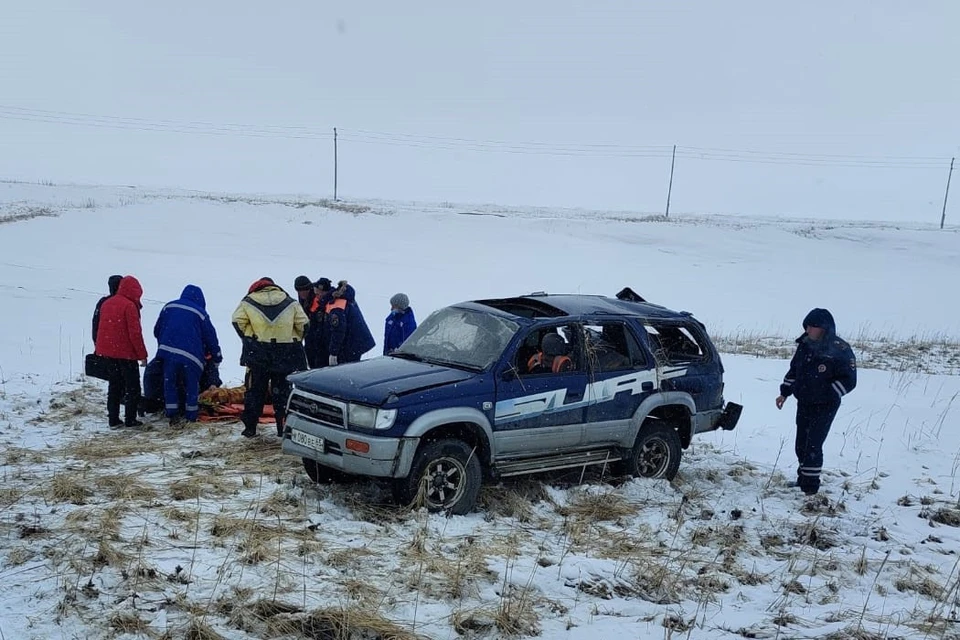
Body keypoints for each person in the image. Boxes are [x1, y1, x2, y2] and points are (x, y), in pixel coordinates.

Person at [776, 308, 857, 495]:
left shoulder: (840, 349)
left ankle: (810, 489)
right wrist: (784, 393)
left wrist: (827, 393)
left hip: (825, 405)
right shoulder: (804, 345)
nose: (810, 329)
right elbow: (794, 371)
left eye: (814, 326)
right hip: (804, 401)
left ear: (824, 328)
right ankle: (802, 479)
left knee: (813, 443)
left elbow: (849, 380)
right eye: (808, 326)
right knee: (801, 443)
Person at [232, 277, 309, 438]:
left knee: (255, 391)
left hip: (258, 354)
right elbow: (304, 325)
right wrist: (291, 338)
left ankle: (250, 427)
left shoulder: (248, 302)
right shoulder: (291, 302)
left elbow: (237, 321)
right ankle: (283, 427)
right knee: (282, 393)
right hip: (284, 354)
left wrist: (250, 337)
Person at [154, 285, 222, 426]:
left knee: (170, 383)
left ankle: (172, 414)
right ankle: (191, 415)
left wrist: (165, 343)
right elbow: (211, 337)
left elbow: (157, 329)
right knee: (191, 385)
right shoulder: (200, 313)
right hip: (191, 357)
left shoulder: (169, 306)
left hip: (168, 352)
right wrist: (217, 356)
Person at [94, 275, 148, 428]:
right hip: (126, 354)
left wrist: (99, 349)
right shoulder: (129, 306)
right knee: (133, 387)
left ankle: (113, 419)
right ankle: (130, 419)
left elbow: (100, 328)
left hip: (108, 353)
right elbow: (135, 334)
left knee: (114, 386)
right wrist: (142, 355)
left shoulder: (107, 303)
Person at [324, 280, 376, 365]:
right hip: (356, 341)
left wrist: (333, 352)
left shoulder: (337, 306)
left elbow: (338, 331)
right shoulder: (346, 299)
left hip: (351, 344)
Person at [295, 275, 326, 368]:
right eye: (299, 291)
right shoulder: (303, 299)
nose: (302, 293)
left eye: (304, 290)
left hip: (319, 339)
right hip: (310, 337)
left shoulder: (318, 297)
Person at [91, 274, 123, 346]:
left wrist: (97, 343)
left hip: (103, 346)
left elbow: (95, 323)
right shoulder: (126, 304)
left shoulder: (103, 302)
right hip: (119, 348)